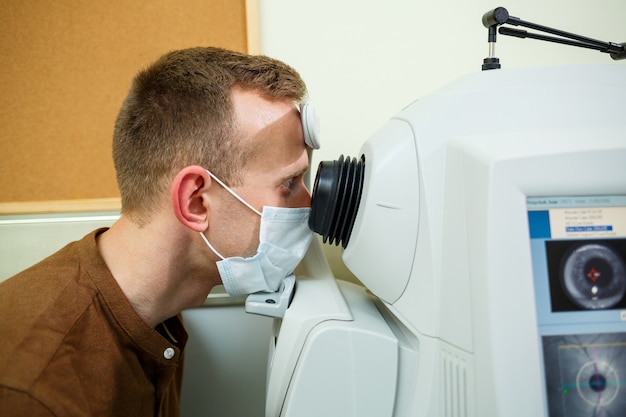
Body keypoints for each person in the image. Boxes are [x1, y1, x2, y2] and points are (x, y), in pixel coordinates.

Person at [0, 47, 313, 416]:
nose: (308, 204)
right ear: (195, 201)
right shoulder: (33, 391)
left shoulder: (161, 313)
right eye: (290, 183)